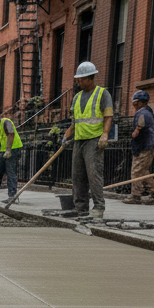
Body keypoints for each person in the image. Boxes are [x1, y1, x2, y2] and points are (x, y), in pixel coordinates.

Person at [62, 62, 113, 219]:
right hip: (79, 141)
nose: (78, 83)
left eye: (81, 79)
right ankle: (81, 209)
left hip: (94, 140)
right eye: (77, 80)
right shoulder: (76, 97)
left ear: (90, 78)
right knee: (77, 177)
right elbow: (74, 123)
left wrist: (105, 134)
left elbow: (108, 116)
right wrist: (66, 136)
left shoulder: (102, 94)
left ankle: (98, 207)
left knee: (94, 175)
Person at [126, 90, 154, 204]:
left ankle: (136, 195)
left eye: (135, 103)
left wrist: (135, 133)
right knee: (142, 172)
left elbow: (138, 129)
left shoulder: (143, 113)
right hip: (146, 146)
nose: (134, 106)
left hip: (143, 147)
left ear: (141, 102)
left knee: (137, 172)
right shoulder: (146, 113)